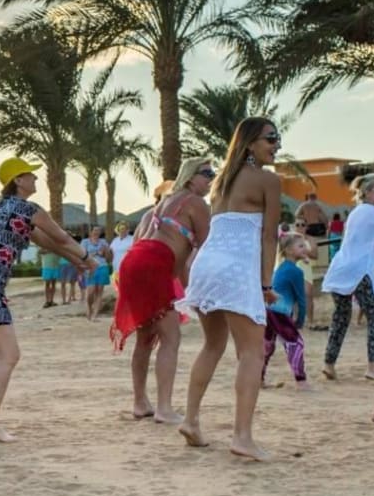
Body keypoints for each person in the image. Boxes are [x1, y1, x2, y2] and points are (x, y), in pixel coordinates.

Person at [175, 117, 282, 461]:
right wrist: (266, 283)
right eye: (271, 138)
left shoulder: (222, 181)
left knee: (212, 345)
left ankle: (191, 421)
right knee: (252, 352)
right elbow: (269, 236)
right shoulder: (268, 180)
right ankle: (242, 437)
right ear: (250, 143)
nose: (277, 144)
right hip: (237, 268)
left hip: (207, 265)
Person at [0, 157, 91, 442]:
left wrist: (76, 261)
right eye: (30, 175)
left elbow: (46, 242)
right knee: (9, 355)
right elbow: (62, 238)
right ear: (18, 181)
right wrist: (88, 258)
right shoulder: (28, 209)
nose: (35, 179)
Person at [111, 158, 212, 424]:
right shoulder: (196, 203)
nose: (211, 179)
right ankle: (164, 408)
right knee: (170, 337)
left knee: (145, 338)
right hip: (155, 264)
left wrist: (189, 291)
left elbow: (142, 241)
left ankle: (140, 402)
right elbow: (207, 247)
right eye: (206, 173)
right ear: (190, 177)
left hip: (134, 263)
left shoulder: (161, 205)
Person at [320, 173, 374, 382]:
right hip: (361, 271)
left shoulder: (355, 212)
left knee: (340, 318)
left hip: (340, 269)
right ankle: (373, 367)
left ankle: (329, 364)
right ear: (368, 192)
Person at [262, 234, 310, 390]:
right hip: (279, 312)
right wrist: (300, 320)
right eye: (300, 246)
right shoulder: (296, 272)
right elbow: (301, 299)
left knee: (267, 344)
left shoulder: (281, 267)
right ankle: (301, 381)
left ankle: (259, 378)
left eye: (304, 245)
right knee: (296, 343)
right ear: (289, 250)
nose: (305, 248)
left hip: (268, 310)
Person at [81, 226, 112, 321]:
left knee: (99, 291)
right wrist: (94, 254)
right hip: (90, 267)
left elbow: (108, 258)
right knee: (91, 291)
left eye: (98, 231)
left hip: (102, 266)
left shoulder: (103, 242)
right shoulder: (85, 242)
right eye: (95, 230)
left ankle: (95, 315)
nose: (97, 232)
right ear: (90, 232)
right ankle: (89, 309)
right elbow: (81, 255)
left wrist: (105, 251)